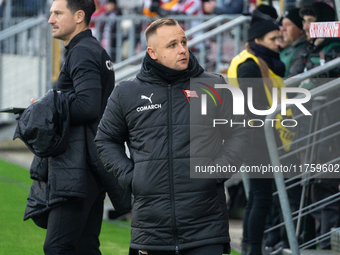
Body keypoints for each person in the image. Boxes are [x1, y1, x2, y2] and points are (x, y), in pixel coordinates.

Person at [95, 17, 253, 255]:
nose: (182, 49)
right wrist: (132, 177)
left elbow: (240, 131)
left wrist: (218, 171)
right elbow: (105, 140)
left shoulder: (214, 85)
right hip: (151, 231)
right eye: (172, 45)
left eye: (183, 42)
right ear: (152, 52)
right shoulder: (126, 93)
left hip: (206, 227)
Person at [22, 0, 130, 254]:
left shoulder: (82, 51)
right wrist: (48, 105)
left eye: (58, 13)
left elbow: (87, 106)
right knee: (85, 245)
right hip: (88, 163)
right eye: (51, 13)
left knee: (58, 247)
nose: (50, 19)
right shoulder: (91, 49)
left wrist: (46, 108)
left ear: (79, 16)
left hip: (79, 166)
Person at [227, 9, 286, 255]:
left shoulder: (251, 60)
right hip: (259, 138)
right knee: (261, 198)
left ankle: (252, 246)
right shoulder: (249, 65)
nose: (278, 43)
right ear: (258, 40)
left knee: (257, 197)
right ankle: (253, 248)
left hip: (256, 136)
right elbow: (256, 107)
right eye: (273, 39)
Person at [279, 8, 309, 78]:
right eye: (282, 25)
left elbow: (293, 80)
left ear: (301, 29)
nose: (283, 29)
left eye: (288, 25)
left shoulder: (303, 50)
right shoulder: (288, 48)